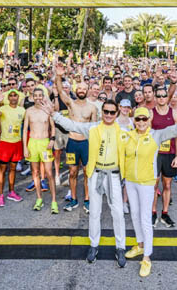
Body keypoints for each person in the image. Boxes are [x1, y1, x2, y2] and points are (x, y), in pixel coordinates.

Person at [42, 98, 127, 267]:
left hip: (114, 176)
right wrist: (54, 114)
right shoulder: (92, 128)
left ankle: (120, 248)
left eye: (112, 112)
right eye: (106, 111)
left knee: (117, 213)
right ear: (102, 112)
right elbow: (72, 125)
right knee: (94, 212)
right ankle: (94, 245)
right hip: (96, 174)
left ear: (116, 114)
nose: (109, 115)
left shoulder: (124, 131)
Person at [123, 106, 177, 277]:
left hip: (146, 183)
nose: (141, 122)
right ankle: (140, 245)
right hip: (130, 182)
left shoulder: (156, 135)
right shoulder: (128, 136)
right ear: (134, 120)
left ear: (149, 120)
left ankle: (147, 257)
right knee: (135, 215)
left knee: (145, 219)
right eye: (138, 119)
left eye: (144, 119)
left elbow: (174, 129)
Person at [55, 64, 98, 213]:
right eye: (79, 89)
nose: (81, 91)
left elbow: (94, 129)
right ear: (76, 90)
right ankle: (73, 199)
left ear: (87, 91)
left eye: (84, 89)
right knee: (72, 172)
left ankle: (87, 199)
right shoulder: (70, 103)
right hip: (72, 142)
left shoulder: (93, 108)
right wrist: (59, 76)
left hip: (86, 143)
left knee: (87, 172)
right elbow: (60, 90)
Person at [150, 87, 177, 228]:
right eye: (159, 96)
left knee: (167, 184)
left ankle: (165, 212)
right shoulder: (151, 114)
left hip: (169, 154)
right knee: (154, 185)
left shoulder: (174, 114)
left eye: (164, 95)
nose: (162, 98)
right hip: (155, 154)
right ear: (155, 97)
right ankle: (153, 211)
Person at [23, 88, 58, 213]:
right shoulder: (28, 111)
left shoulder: (47, 110)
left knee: (49, 172)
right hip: (33, 143)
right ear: (32, 97)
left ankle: (54, 201)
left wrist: (52, 140)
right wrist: (25, 147)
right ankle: (39, 199)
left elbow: (53, 127)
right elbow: (24, 130)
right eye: (35, 96)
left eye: (40, 96)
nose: (38, 98)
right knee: (35, 172)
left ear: (43, 97)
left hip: (45, 143)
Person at [0, 89, 25, 206]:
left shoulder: (22, 110)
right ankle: (0, 196)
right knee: (2, 169)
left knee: (13, 169)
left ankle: (11, 192)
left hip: (17, 143)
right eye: (10, 95)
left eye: (15, 95)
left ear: (18, 98)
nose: (13, 97)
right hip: (5, 143)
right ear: (8, 98)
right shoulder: (3, 108)